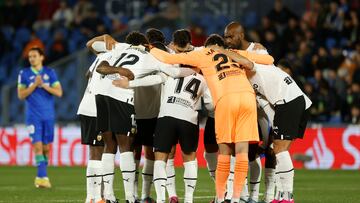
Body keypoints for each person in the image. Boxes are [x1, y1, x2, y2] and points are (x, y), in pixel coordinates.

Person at [148, 34, 274, 203]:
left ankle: (221, 198)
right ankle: (236, 198)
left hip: (225, 99)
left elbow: (167, 58)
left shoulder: (202, 54)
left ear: (207, 46)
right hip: (247, 98)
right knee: (242, 152)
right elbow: (269, 60)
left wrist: (150, 48)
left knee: (224, 153)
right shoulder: (234, 52)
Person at [88, 32, 194, 203]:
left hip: (101, 92)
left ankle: (109, 196)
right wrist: (194, 69)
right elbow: (173, 73)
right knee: (126, 147)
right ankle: (131, 198)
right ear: (146, 44)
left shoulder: (120, 47)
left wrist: (105, 37)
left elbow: (91, 45)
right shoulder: (151, 56)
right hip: (121, 94)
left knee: (109, 145)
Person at [213, 46, 312, 203]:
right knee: (279, 150)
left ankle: (287, 197)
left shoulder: (254, 68)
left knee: (279, 150)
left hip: (289, 101)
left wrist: (225, 52)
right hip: (293, 102)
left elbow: (247, 61)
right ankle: (281, 196)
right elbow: (266, 105)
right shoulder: (254, 80)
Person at [224, 21, 276, 203]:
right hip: (241, 108)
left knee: (268, 150)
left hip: (261, 108)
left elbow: (268, 73)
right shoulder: (228, 53)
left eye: (230, 37)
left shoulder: (259, 51)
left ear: (240, 35)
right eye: (225, 37)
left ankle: (266, 196)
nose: (227, 40)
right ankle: (245, 194)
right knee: (244, 152)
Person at [17, 47, 63, 188]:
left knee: (46, 148)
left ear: (41, 57)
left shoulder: (50, 73)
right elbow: (21, 95)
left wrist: (43, 85)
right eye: (30, 56)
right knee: (37, 147)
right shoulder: (24, 73)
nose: (32, 59)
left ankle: (42, 175)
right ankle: (41, 177)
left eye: (34, 56)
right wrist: (34, 85)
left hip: (48, 116)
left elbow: (59, 92)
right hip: (33, 116)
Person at [77, 55, 107, 203]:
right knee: (97, 152)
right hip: (95, 109)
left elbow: (87, 74)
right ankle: (94, 197)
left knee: (97, 152)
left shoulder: (100, 57)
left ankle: (96, 195)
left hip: (87, 107)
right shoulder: (112, 57)